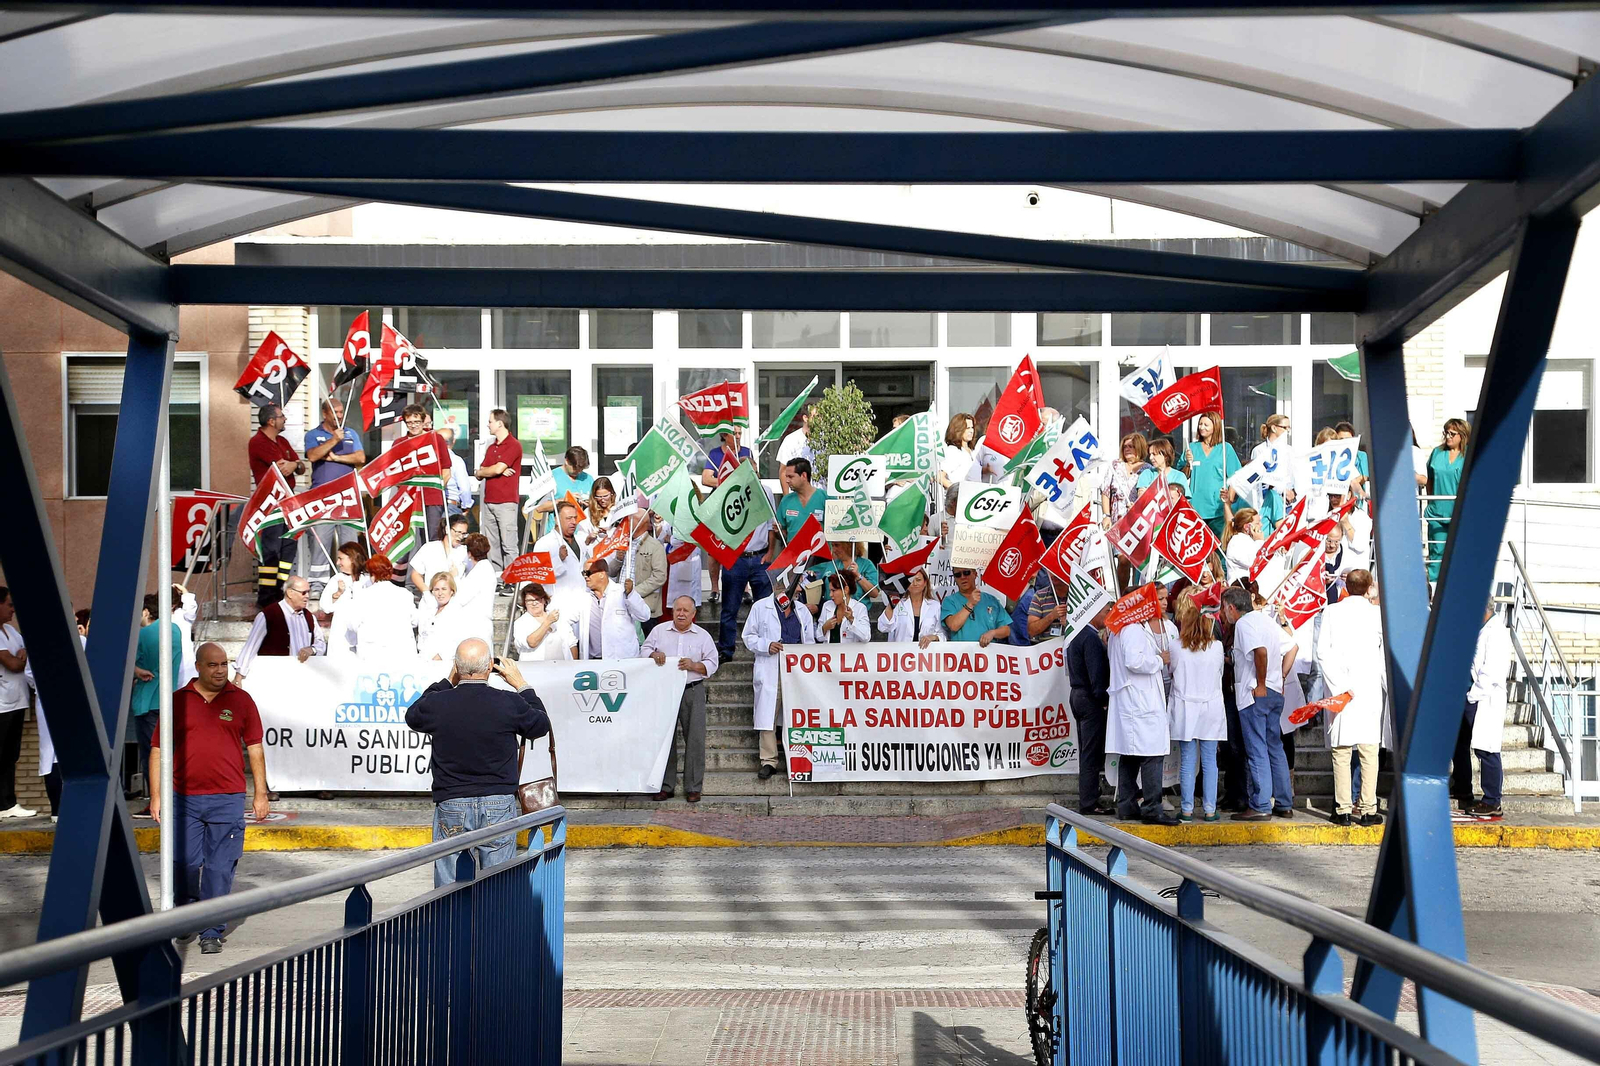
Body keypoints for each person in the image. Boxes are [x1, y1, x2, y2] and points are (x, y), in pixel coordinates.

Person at [149, 642, 268, 954]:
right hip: (183, 798)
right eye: (213, 665)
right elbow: (158, 749)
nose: (219, 671)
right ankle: (187, 915)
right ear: (198, 667)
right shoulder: (177, 701)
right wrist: (156, 795)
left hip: (227, 798)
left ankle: (211, 930)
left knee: (219, 867)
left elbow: (254, 747)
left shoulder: (241, 701)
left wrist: (260, 793)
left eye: (224, 665)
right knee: (184, 863)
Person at [404, 640, 550, 887]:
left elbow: (414, 714)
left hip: (452, 802)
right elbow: (540, 725)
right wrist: (521, 685)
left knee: (449, 888)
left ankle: (451, 925)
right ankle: (492, 926)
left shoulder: (438, 703)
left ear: (458, 668)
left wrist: (448, 680)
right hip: (498, 802)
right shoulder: (509, 702)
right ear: (489, 668)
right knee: (498, 885)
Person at [1317, 569, 1386, 827]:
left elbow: (1322, 652)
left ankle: (1343, 808)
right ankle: (1368, 809)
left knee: (1342, 752)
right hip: (1368, 689)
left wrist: (1339, 686)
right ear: (1369, 587)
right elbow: (1383, 656)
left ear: (1346, 584)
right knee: (1369, 752)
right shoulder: (1377, 615)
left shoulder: (1332, 612)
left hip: (1342, 689)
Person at [1223, 587, 1295, 820]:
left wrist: (1261, 682)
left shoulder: (1243, 624)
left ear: (1231, 607)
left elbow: (1260, 652)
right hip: (1274, 691)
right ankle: (1284, 802)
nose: (1224, 613)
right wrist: (1280, 678)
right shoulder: (1266, 621)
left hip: (1255, 693)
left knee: (1256, 749)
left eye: (1224, 608)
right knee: (1274, 746)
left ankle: (1261, 803)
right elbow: (1293, 647)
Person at [644, 596, 720, 802]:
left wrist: (694, 665)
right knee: (664, 739)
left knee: (695, 738)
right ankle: (664, 786)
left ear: (693, 614)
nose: (681, 614)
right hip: (664, 690)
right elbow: (643, 651)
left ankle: (693, 787)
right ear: (672, 611)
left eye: (686, 610)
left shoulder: (702, 636)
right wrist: (653, 655)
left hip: (691, 689)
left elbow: (713, 664)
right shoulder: (659, 631)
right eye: (678, 609)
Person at [1106, 616, 1177, 825]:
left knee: (1130, 755)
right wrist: (1159, 660)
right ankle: (1152, 808)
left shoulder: (1119, 629)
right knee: (1152, 755)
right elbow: (1134, 661)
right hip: (1140, 700)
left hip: (1133, 701)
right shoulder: (1133, 629)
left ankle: (1127, 805)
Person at [744, 584, 816, 778]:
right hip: (771, 668)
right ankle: (769, 760)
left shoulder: (802, 611)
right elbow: (748, 636)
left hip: (796, 671)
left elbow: (809, 642)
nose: (796, 589)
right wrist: (767, 645)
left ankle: (799, 758)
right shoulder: (760, 607)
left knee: (798, 715)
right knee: (768, 714)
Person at [1168, 588, 1226, 822]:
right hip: (1211, 707)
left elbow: (1169, 673)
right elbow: (1220, 673)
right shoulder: (1217, 648)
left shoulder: (1175, 647)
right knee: (1210, 761)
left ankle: (1187, 808)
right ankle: (1210, 809)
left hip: (1185, 707)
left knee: (1188, 761)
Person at [1454, 602, 1513, 821]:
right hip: (1474, 693)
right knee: (1469, 744)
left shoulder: (1496, 631)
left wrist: (1472, 695)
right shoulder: (1482, 628)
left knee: (1488, 749)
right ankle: (1468, 789)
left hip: (1485, 695)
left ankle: (1492, 800)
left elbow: (1491, 670)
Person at [302, 398, 366, 593]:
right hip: (322, 497)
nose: (339, 416)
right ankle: (318, 585)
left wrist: (337, 457)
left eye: (341, 412)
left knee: (350, 543)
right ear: (325, 414)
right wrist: (334, 441)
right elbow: (313, 455)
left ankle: (351, 582)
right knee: (321, 540)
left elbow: (360, 458)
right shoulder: (314, 434)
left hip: (347, 497)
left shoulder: (351, 433)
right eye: (335, 412)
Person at [129, 592, 182, 819]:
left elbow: (126, 659)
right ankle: (173, 798)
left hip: (147, 699)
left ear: (146, 611)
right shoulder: (175, 630)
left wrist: (135, 670)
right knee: (169, 753)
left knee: (151, 754)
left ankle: (156, 801)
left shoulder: (143, 635)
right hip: (168, 697)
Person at [247, 403, 304, 605]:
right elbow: (281, 467)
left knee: (289, 547)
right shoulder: (258, 442)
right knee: (271, 549)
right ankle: (267, 596)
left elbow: (300, 466)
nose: (284, 420)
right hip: (270, 504)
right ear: (271, 421)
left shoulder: (282, 441)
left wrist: (294, 464)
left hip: (288, 503)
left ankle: (282, 590)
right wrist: (292, 464)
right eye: (281, 417)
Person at [1066, 601, 1113, 815]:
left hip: (1077, 695)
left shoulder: (1077, 636)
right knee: (1091, 754)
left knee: (1087, 751)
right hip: (1089, 699)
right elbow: (1097, 676)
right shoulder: (1091, 639)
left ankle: (1088, 797)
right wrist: (1102, 699)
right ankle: (1089, 801)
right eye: (1105, 611)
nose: (1107, 615)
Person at [234, 574, 322, 684]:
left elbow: (321, 643)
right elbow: (251, 647)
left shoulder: (309, 617)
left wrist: (312, 649)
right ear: (290, 593)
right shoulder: (268, 615)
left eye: (309, 591)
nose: (307, 596)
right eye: (303, 592)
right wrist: (239, 676)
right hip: (275, 679)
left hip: (303, 677)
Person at [475, 408, 524, 573]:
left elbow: (495, 469)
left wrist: (495, 469)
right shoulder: (491, 447)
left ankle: (512, 579)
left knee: (508, 543)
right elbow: (480, 471)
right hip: (489, 501)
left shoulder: (513, 445)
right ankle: (496, 576)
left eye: (490, 421)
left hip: (506, 502)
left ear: (500, 423)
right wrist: (491, 470)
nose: (487, 425)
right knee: (492, 543)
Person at [0, 588, 34, 819]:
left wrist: (22, 654)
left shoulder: (11, 631)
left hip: (17, 702)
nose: (13, 610)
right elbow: (13, 664)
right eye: (9, 605)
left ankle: (8, 803)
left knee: (11, 755)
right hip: (2, 705)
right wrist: (20, 657)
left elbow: (26, 651)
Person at [1180, 412, 1242, 540]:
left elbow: (1236, 476)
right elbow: (1182, 476)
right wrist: (1187, 463)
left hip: (1217, 509)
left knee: (1219, 549)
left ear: (1216, 426)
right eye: (1200, 424)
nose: (1202, 427)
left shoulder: (1225, 448)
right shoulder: (1192, 448)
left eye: (1206, 425)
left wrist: (1229, 500)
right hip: (1196, 509)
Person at [343, 556, 417, 660]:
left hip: (373, 653)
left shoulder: (362, 596)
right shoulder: (405, 594)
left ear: (372, 574)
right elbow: (414, 621)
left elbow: (352, 624)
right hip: (401, 653)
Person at [1422, 419, 1468, 582]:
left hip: (1461, 513)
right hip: (1437, 512)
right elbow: (1429, 479)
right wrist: (1431, 500)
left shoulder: (1468, 455)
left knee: (1460, 554)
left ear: (1462, 436)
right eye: (1446, 432)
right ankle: (1434, 591)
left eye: (1452, 433)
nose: (1448, 436)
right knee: (1437, 552)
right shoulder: (1437, 453)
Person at [580, 558, 650, 660]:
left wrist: (631, 595)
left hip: (622, 660)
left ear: (601, 574)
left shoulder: (622, 592)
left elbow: (644, 615)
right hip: (594, 661)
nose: (585, 576)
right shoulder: (582, 596)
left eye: (588, 572)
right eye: (583, 573)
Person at [534, 499, 590, 618]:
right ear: (556, 520)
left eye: (575, 518)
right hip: (560, 605)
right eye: (568, 518)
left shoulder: (582, 540)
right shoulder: (544, 543)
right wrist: (558, 559)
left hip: (583, 602)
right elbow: (539, 576)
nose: (573, 522)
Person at [399, 404, 447, 543]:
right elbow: (395, 474)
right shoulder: (399, 443)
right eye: (409, 422)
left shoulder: (436, 439)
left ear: (423, 421)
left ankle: (433, 565)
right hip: (409, 500)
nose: (413, 426)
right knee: (408, 541)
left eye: (417, 422)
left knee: (432, 537)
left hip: (432, 498)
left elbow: (446, 470)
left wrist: (436, 488)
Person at [318, 542, 369, 660]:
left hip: (364, 635)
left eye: (341, 559)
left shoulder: (367, 579)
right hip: (342, 637)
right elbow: (325, 607)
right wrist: (338, 593)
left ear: (352, 558)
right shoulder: (336, 579)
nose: (337, 563)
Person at [530, 445, 595, 536]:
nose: (579, 472)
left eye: (581, 469)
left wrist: (590, 503)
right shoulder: (551, 478)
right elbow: (540, 507)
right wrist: (565, 500)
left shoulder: (588, 479)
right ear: (567, 461)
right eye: (575, 468)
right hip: (559, 533)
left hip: (583, 532)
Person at [941, 567, 1010, 645]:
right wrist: (970, 604)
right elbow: (953, 626)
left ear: (975, 574)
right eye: (958, 574)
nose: (962, 577)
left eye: (966, 572)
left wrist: (993, 633)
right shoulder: (949, 601)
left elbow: (1006, 630)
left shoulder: (991, 600)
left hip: (987, 653)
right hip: (962, 654)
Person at [410, 514, 469, 604]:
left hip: (455, 602)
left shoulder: (464, 552)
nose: (460, 537)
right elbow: (416, 574)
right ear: (447, 529)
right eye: (458, 532)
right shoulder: (429, 548)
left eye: (464, 534)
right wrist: (426, 592)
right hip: (431, 601)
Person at [1250, 414, 1294, 531]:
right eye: (1285, 428)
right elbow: (1257, 478)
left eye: (1289, 428)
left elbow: (1291, 476)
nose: (1288, 431)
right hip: (1264, 503)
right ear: (1274, 428)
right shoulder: (1259, 450)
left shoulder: (1289, 451)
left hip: (1284, 504)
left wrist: (1292, 492)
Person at [877, 569, 942, 647]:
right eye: (911, 580)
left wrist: (933, 637)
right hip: (901, 654)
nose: (914, 583)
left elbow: (943, 634)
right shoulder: (898, 603)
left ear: (925, 583)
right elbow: (883, 627)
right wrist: (891, 602)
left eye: (918, 580)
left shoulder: (935, 606)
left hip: (926, 655)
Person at [454, 533, 498, 644]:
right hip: (477, 625)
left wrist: (454, 577)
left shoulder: (480, 571)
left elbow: (461, 598)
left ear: (469, 553)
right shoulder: (484, 568)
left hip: (475, 627)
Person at [512, 585, 576, 662]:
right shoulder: (521, 623)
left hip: (562, 668)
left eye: (537, 599)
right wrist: (547, 622)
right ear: (524, 603)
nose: (534, 603)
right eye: (529, 601)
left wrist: (573, 666)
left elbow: (572, 644)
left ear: (544, 600)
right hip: (535, 669)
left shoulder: (559, 618)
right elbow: (531, 643)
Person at [419, 573, 473, 661]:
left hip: (443, 664)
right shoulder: (430, 611)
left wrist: (438, 658)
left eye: (444, 589)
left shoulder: (457, 612)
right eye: (436, 589)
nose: (440, 593)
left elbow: (457, 641)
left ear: (451, 591)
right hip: (425, 660)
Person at [630, 514, 668, 634]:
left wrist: (634, 592)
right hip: (623, 604)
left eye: (631, 520)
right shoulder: (623, 543)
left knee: (649, 647)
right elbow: (612, 570)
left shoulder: (655, 546)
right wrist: (618, 559)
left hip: (645, 606)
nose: (627, 523)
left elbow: (660, 576)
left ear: (641, 524)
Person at [817, 573, 871, 643]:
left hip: (849, 653)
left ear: (845, 589)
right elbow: (818, 636)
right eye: (830, 591)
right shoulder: (827, 606)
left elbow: (866, 637)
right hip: (829, 652)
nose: (830, 595)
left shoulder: (860, 608)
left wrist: (851, 619)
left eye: (833, 590)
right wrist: (825, 628)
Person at [439, 426, 476, 520]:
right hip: (451, 505)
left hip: (433, 507)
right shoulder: (456, 460)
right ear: (454, 441)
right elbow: (464, 488)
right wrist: (466, 506)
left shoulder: (429, 459)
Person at [1223, 508, 1264, 586]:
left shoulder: (1249, 541)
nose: (1261, 525)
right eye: (1257, 523)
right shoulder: (1236, 542)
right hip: (1239, 590)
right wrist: (1259, 541)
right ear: (1247, 527)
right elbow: (1253, 563)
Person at [939, 413, 976, 491]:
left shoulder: (972, 451)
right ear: (958, 430)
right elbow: (939, 476)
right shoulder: (953, 451)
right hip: (961, 499)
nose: (971, 431)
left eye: (972, 427)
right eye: (967, 428)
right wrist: (957, 491)